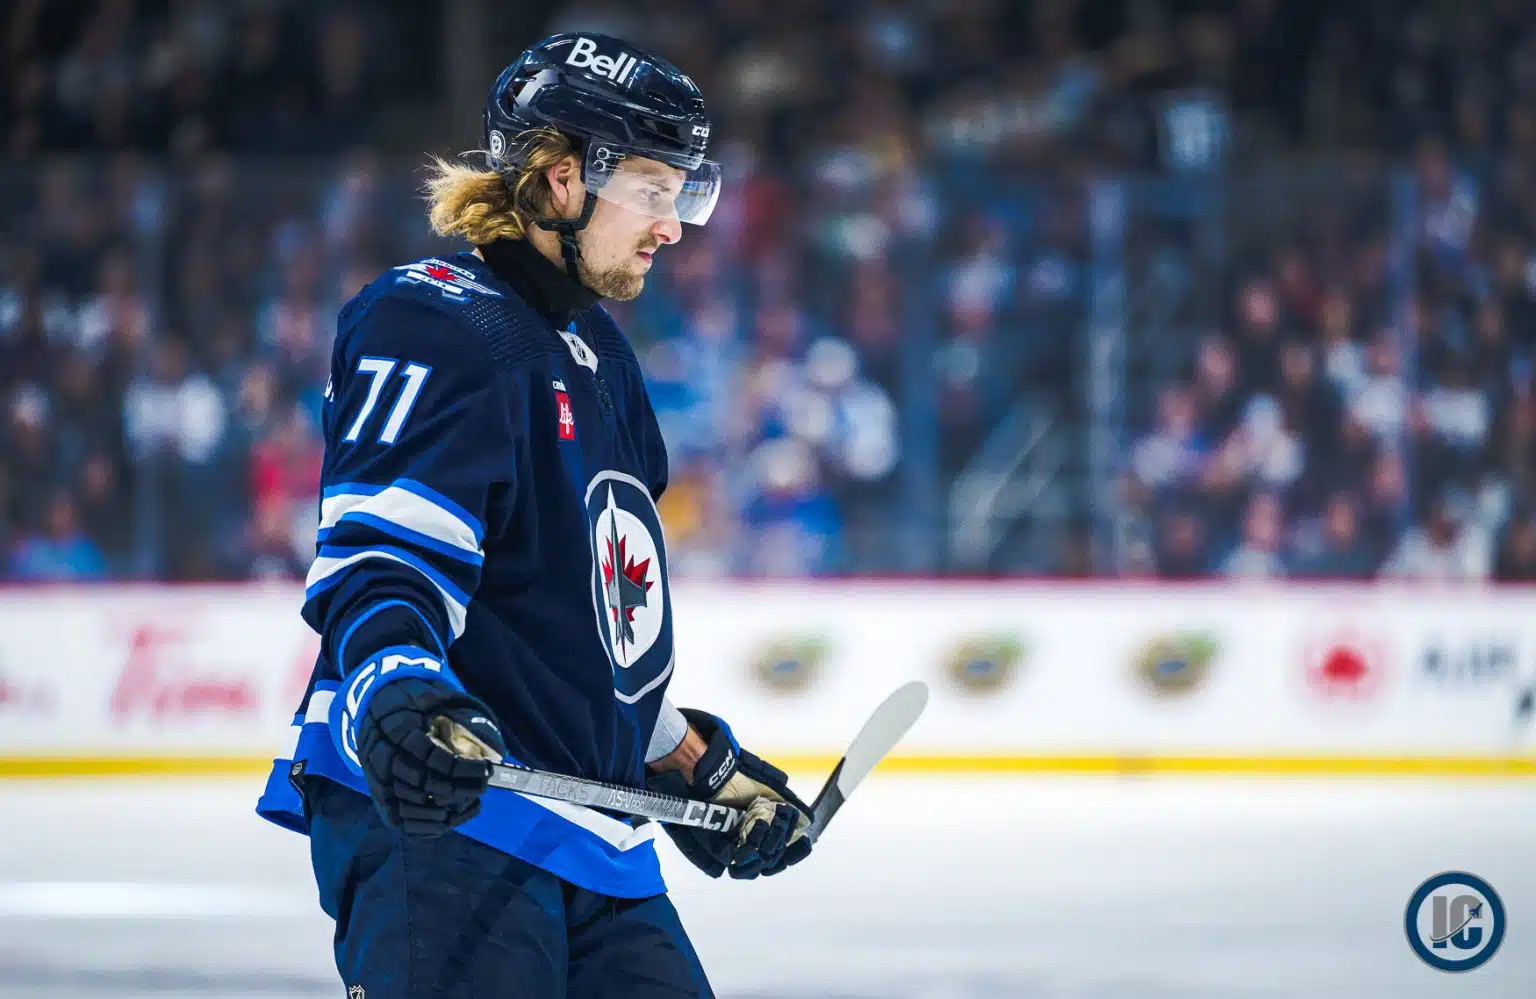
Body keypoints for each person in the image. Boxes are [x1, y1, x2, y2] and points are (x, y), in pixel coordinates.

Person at [255, 33, 812, 999]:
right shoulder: (438, 318)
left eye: (682, 192)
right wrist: (394, 683)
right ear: (563, 180)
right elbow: (384, 557)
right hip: (448, 821)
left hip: (596, 844)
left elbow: (588, 639)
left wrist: (692, 766)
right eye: (652, 189)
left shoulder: (605, 360)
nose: (672, 225)